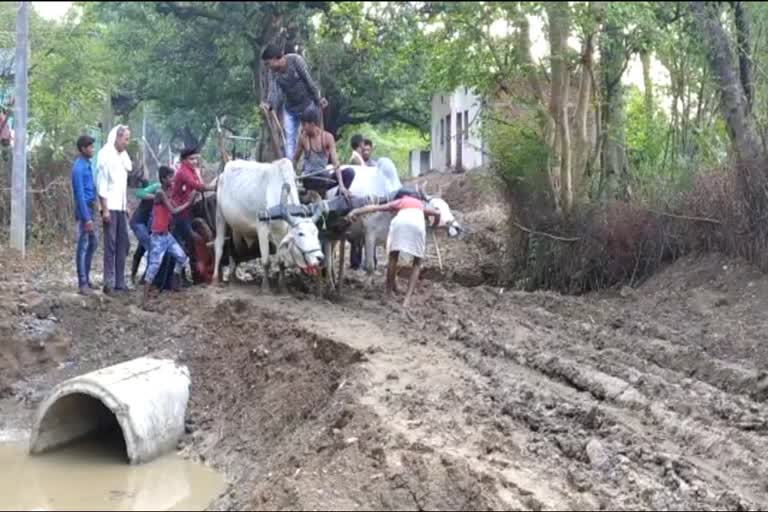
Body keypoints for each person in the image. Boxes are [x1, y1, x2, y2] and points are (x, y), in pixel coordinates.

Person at [348, 192, 441, 308]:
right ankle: (406, 300)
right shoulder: (421, 204)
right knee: (417, 263)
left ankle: (388, 293)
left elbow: (374, 207)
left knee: (393, 258)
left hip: (399, 224)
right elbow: (437, 213)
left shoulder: (401, 201)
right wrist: (434, 225)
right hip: (417, 226)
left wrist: (355, 211)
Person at [260, 44, 328, 159]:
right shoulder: (273, 73)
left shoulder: (295, 60)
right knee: (289, 139)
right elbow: (274, 92)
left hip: (307, 105)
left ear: (275, 59)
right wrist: (269, 105)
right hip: (290, 109)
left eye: (268, 63)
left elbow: (309, 80)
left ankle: (314, 164)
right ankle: (291, 169)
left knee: (311, 134)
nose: (268, 67)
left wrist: (318, 98)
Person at [143, 166, 198, 306]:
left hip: (166, 235)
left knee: (182, 257)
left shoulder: (167, 192)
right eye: (170, 177)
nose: (173, 179)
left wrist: (186, 201)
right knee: (153, 267)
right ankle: (144, 298)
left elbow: (175, 207)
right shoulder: (160, 193)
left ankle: (174, 279)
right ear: (163, 179)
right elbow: (174, 210)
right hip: (158, 236)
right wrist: (188, 203)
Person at [96, 125, 132, 296]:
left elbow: (122, 184)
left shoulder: (123, 156)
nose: (127, 142)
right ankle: (108, 282)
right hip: (110, 206)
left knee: (123, 244)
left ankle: (120, 282)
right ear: (118, 138)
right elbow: (102, 184)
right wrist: (105, 209)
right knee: (110, 245)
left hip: (121, 206)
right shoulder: (105, 155)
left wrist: (126, 206)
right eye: (126, 139)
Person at [170, 147, 215, 285]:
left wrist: (198, 173)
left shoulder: (191, 170)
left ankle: (192, 276)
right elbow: (198, 186)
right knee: (190, 242)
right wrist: (215, 187)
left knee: (188, 244)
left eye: (196, 158)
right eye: (191, 159)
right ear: (184, 160)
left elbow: (199, 183)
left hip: (188, 211)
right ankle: (179, 277)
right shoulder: (183, 172)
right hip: (180, 213)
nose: (195, 161)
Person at [293, 107, 353, 198]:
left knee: (349, 173)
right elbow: (295, 159)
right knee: (316, 179)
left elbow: (335, 163)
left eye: (304, 125)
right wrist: (293, 176)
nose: (303, 128)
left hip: (324, 178)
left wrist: (341, 185)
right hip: (310, 179)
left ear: (312, 124)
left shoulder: (327, 137)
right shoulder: (303, 138)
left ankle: (338, 199)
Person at [71, 135, 98, 295]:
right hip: (84, 209)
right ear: (83, 149)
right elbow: (79, 195)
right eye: (90, 147)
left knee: (93, 243)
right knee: (83, 246)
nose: (92, 150)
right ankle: (82, 283)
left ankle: (86, 279)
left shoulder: (87, 164)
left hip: (90, 207)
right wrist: (86, 218)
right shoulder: (78, 168)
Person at [191, 218, 215, 285]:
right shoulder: (198, 240)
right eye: (202, 227)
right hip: (202, 263)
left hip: (207, 261)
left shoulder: (206, 236)